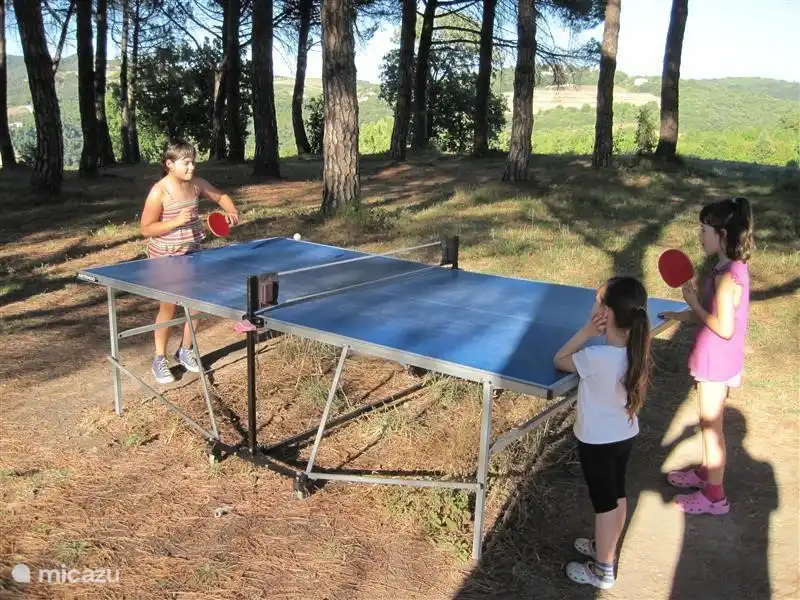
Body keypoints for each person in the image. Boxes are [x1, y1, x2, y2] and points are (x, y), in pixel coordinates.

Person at [553, 276, 653, 590]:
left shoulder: (595, 358)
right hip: (624, 434)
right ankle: (604, 546)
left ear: (605, 314)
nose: (594, 306)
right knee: (617, 495)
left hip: (597, 442)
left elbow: (559, 360)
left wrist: (585, 332)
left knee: (604, 504)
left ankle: (603, 570)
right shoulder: (637, 352)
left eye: (598, 302)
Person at [659, 197, 754, 515]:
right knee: (706, 421)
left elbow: (723, 327)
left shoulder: (728, 278)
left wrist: (694, 305)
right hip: (716, 359)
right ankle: (705, 474)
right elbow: (711, 314)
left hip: (717, 362)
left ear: (722, 234)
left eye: (704, 230)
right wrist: (680, 314)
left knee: (711, 428)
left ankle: (715, 496)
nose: (700, 236)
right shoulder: (727, 267)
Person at [140, 139, 240, 384]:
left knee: (196, 304)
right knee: (169, 306)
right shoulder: (159, 191)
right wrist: (176, 222)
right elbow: (146, 228)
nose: (191, 167)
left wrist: (232, 211)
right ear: (169, 164)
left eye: (193, 162)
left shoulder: (196, 185)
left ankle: (185, 350)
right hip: (165, 257)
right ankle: (159, 359)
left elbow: (221, 196)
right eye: (186, 163)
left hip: (192, 251)